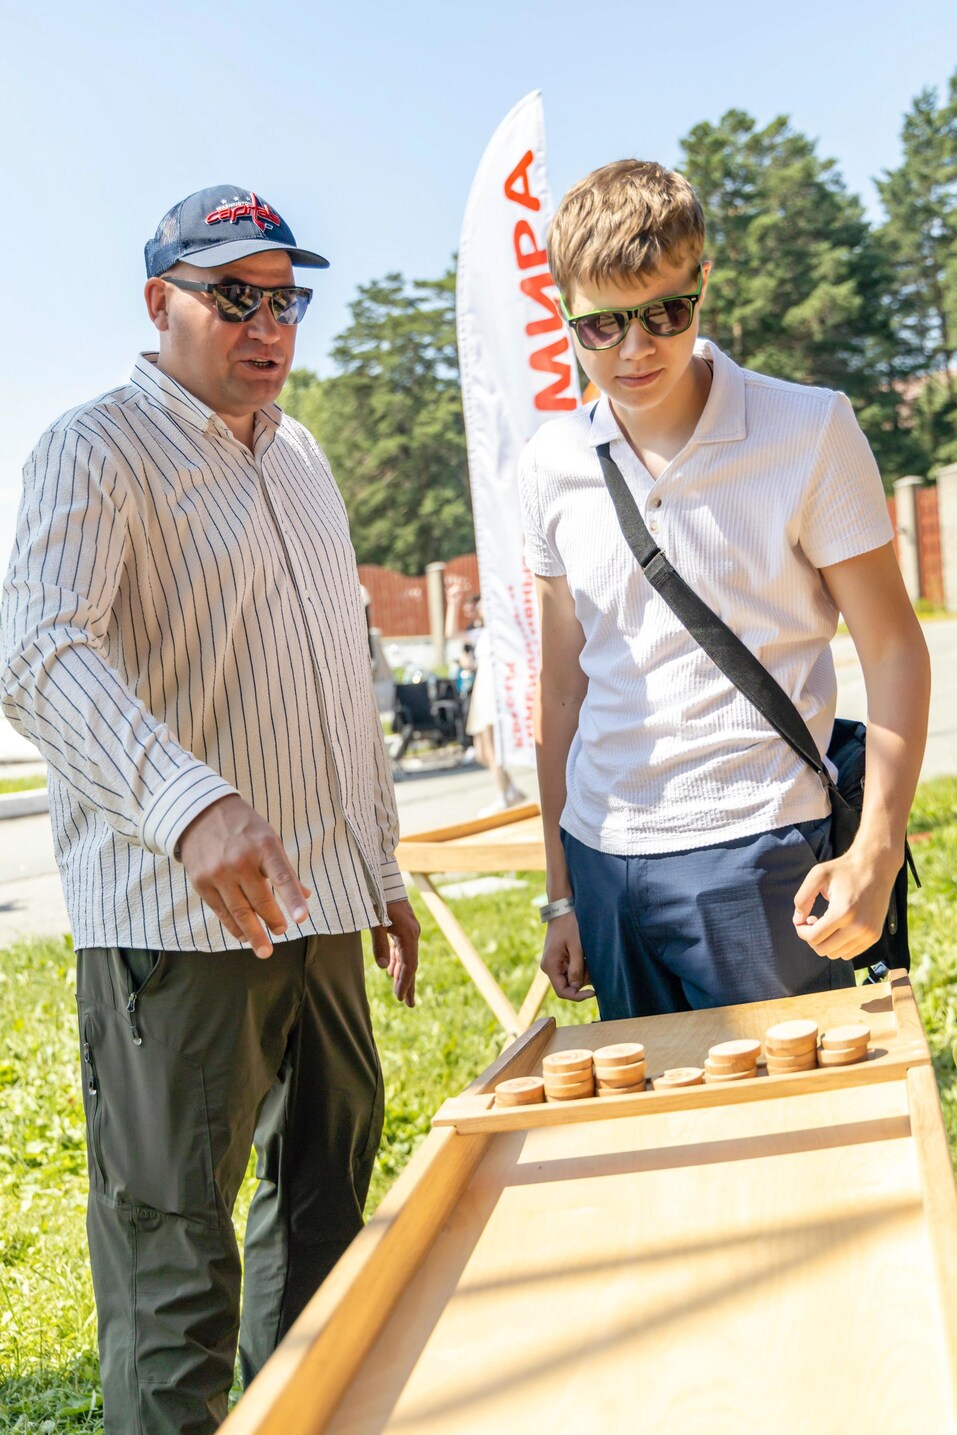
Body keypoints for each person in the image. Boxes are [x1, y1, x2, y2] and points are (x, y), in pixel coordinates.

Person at [0, 184, 420, 1434]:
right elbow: (36, 652)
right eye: (233, 293)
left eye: (285, 296)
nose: (267, 322)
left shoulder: (301, 456)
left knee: (324, 1245)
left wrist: (380, 866)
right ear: (159, 303)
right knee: (178, 1284)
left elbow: (336, 672)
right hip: (178, 936)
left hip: (326, 913)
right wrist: (188, 805)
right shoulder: (97, 445)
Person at [520, 159, 930, 1021]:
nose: (635, 349)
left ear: (702, 283)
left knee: (797, 1136)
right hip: (604, 856)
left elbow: (892, 647)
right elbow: (561, 690)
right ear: (564, 313)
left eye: (664, 312)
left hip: (760, 851)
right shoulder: (549, 466)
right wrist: (562, 891)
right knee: (656, 1141)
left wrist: (878, 850)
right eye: (601, 327)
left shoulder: (808, 427)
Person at [445, 581, 525, 814]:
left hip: (495, 690)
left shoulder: (501, 632)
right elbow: (451, 633)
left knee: (490, 745)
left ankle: (502, 795)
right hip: (482, 688)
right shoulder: (480, 634)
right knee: (481, 751)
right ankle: (510, 790)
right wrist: (453, 602)